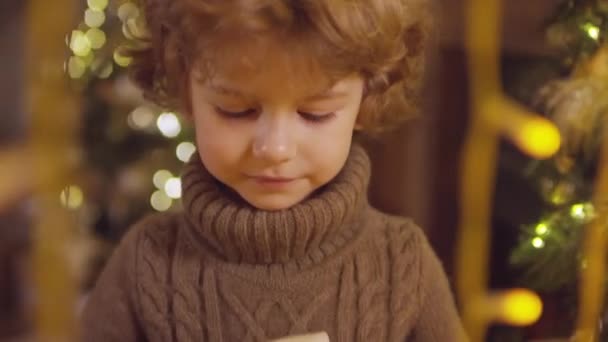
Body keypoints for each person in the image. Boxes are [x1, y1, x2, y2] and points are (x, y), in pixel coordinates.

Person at [81, 0, 466, 341]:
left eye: (315, 114)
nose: (275, 149)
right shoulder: (146, 263)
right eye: (237, 110)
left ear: (366, 100)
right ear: (186, 93)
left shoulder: (403, 264)